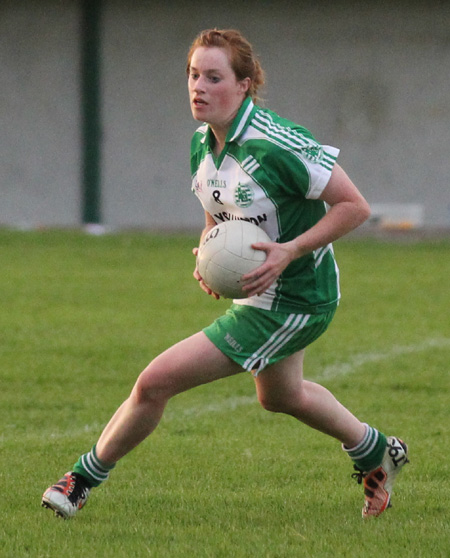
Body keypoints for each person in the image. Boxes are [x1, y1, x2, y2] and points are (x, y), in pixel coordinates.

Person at [42, 28, 408, 520]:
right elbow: (218, 212)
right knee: (281, 396)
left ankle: (79, 480)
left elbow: (354, 206)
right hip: (260, 294)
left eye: (214, 77)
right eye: (194, 75)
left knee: (155, 382)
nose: (199, 86)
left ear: (245, 85)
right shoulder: (201, 144)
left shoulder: (278, 143)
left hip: (297, 298)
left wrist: (289, 251)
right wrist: (209, 258)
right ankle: (376, 453)